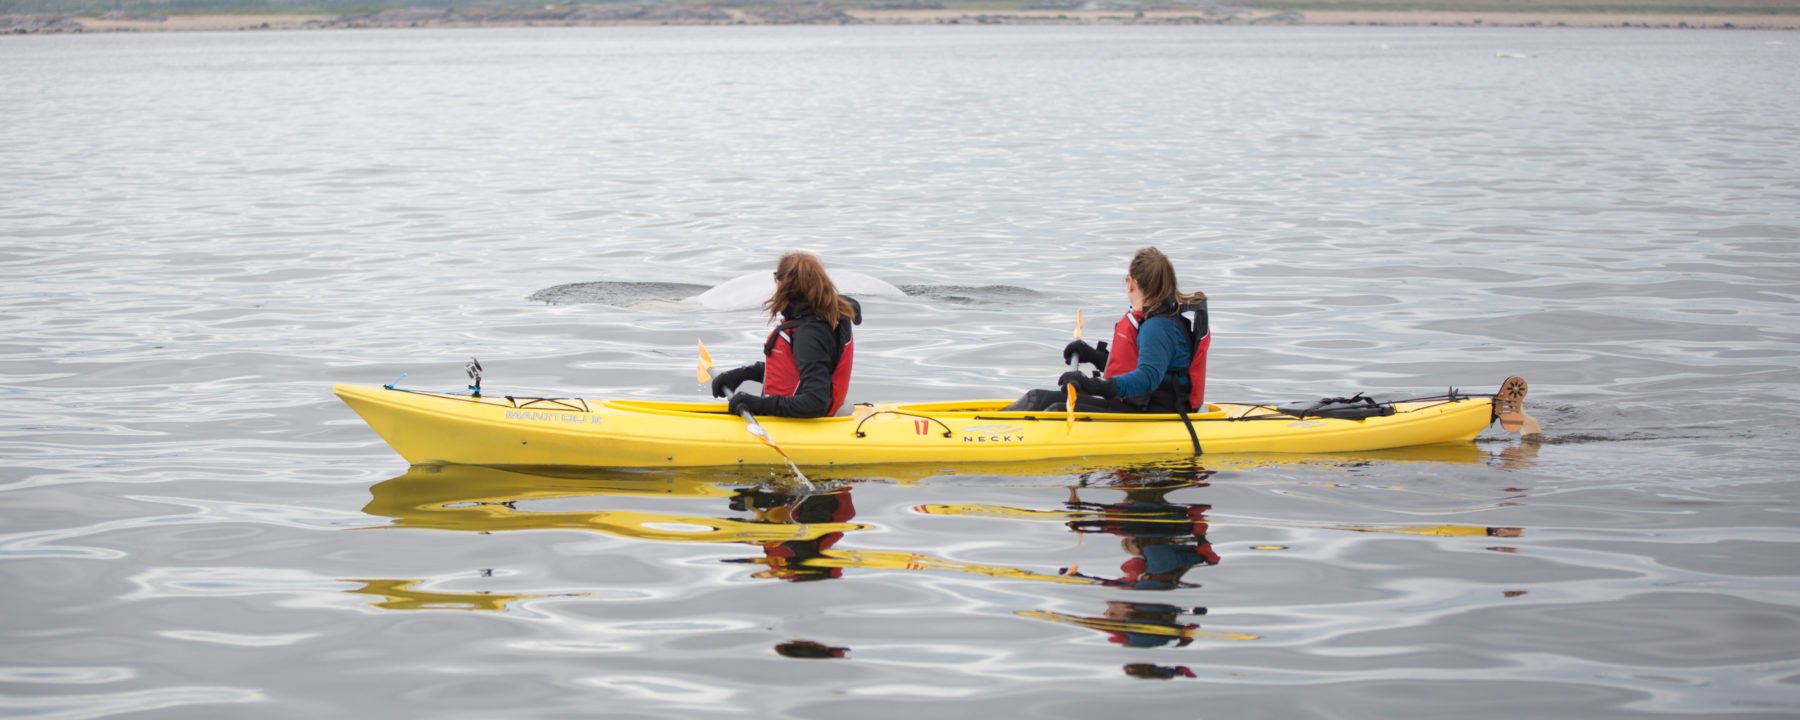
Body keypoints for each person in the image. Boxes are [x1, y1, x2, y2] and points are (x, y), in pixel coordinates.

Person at [1006, 246, 1210, 414]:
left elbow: (1148, 377)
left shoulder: (1157, 327)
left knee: (1056, 411)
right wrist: (1094, 356)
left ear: (1132, 283)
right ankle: (985, 426)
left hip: (1152, 415)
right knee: (1037, 398)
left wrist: (1093, 385)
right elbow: (1139, 367)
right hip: (1138, 406)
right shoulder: (1156, 320)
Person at [710, 252, 861, 418]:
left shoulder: (809, 334)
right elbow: (793, 371)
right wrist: (743, 374)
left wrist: (757, 404)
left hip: (805, 423)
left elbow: (815, 402)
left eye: (776, 278)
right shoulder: (820, 316)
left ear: (783, 286)